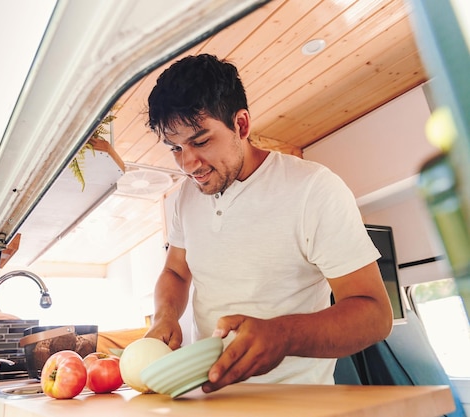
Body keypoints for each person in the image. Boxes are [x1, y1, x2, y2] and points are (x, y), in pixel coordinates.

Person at [144, 54, 393, 393]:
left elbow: (375, 315)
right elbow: (175, 271)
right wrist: (165, 316)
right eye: (174, 148)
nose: (188, 164)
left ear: (241, 125)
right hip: (208, 398)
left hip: (297, 404)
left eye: (200, 141)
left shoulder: (313, 189)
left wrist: (283, 334)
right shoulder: (185, 197)